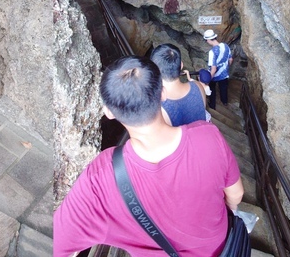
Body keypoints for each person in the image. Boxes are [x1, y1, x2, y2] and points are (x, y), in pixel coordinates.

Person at [54, 56, 244, 256]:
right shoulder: (208, 136)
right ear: (162, 94)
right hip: (221, 248)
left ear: (108, 112)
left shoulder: (99, 179)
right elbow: (236, 194)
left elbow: (59, 243)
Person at [150, 43, 208, 126]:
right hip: (201, 134)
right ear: (181, 65)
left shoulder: (159, 108)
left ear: (154, 70)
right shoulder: (198, 86)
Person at [204, 29, 232, 108]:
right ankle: (225, 102)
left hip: (215, 75)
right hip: (224, 73)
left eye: (206, 40)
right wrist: (226, 68)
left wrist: (208, 80)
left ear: (209, 39)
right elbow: (230, 59)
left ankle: (212, 105)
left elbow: (214, 68)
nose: (207, 42)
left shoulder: (212, 52)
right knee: (223, 88)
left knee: (212, 89)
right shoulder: (225, 46)